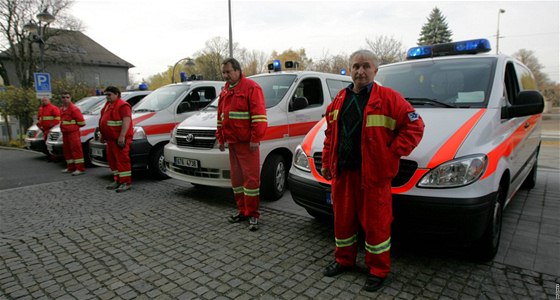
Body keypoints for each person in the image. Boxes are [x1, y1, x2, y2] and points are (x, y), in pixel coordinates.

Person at [321, 50, 425, 292]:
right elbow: (330, 135)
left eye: (366, 66)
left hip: (374, 176)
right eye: (356, 66)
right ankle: (344, 260)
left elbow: (415, 126)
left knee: (376, 225)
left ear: (375, 70)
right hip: (344, 174)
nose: (360, 71)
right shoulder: (338, 100)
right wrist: (326, 162)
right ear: (349, 70)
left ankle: (378, 270)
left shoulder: (389, 98)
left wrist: (390, 153)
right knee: (343, 221)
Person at [216, 58, 267, 231]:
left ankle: (253, 214)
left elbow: (259, 116)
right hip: (233, 143)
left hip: (247, 144)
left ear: (238, 71)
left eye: (228, 72)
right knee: (237, 180)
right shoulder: (225, 91)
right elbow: (221, 117)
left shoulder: (251, 87)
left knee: (251, 181)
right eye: (224, 72)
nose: (226, 75)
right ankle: (243, 211)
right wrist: (220, 138)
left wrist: (255, 138)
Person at [99, 86, 133, 193]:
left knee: (122, 161)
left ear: (116, 94)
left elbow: (126, 121)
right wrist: (102, 135)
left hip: (119, 139)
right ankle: (117, 180)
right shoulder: (108, 105)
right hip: (110, 140)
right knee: (113, 161)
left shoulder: (123, 105)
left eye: (109, 94)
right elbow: (104, 121)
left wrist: (122, 136)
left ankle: (126, 182)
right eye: (106, 95)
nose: (107, 97)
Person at [59, 92, 86, 175]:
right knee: (67, 150)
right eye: (63, 97)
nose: (65, 99)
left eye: (67, 97)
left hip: (73, 132)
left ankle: (80, 168)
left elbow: (82, 122)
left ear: (70, 98)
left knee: (76, 150)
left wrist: (72, 127)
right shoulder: (61, 109)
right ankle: (70, 167)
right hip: (65, 132)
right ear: (61, 99)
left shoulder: (74, 109)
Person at [36, 96, 60, 161]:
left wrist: (52, 125)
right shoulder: (41, 109)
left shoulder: (53, 108)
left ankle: (53, 157)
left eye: (45, 100)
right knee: (47, 143)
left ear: (49, 101)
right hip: (44, 129)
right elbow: (39, 118)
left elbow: (58, 118)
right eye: (43, 101)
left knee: (50, 144)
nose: (44, 102)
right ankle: (51, 156)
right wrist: (39, 125)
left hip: (51, 129)